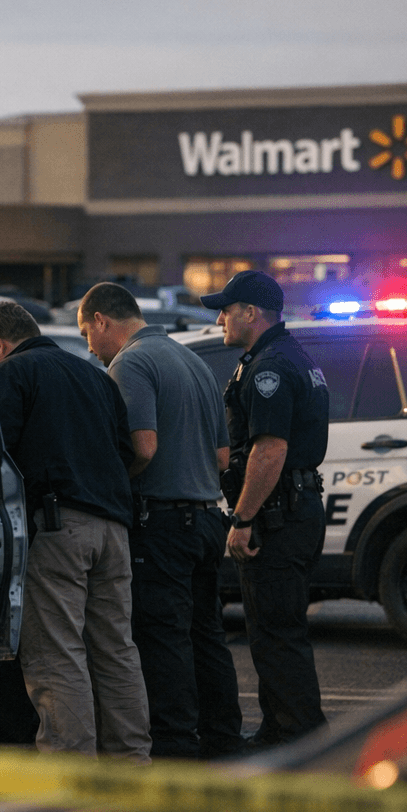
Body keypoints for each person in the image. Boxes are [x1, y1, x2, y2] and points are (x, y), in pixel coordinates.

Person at [0, 300, 150, 760]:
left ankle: (71, 772)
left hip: (57, 529)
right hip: (114, 529)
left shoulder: (10, 374)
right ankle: (132, 763)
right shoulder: (96, 376)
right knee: (117, 651)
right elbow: (125, 450)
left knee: (56, 656)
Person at [78, 283, 244, 759]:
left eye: (87, 333)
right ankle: (222, 737)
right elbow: (222, 455)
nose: (90, 346)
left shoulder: (130, 363)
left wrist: (113, 480)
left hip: (164, 524)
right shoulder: (193, 361)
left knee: (162, 636)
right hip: (207, 518)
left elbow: (143, 446)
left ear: (102, 321)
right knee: (207, 634)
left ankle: (173, 744)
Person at [202, 270, 330, 748]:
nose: (220, 319)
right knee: (272, 631)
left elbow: (270, 450)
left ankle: (302, 743)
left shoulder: (270, 367)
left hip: (278, 515)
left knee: (278, 636)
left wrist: (244, 518)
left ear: (250, 313)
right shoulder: (287, 355)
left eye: (226, 309)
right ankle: (281, 730)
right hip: (293, 509)